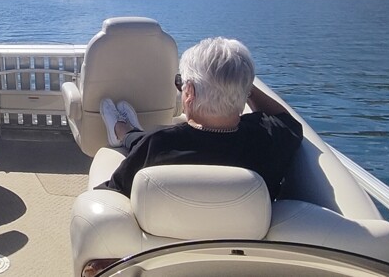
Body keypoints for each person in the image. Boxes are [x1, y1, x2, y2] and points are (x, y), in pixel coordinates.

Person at [96, 37, 303, 199]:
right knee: (140, 138)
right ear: (246, 89)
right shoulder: (268, 139)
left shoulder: (160, 143)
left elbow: (110, 192)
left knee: (139, 140)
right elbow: (287, 118)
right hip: (241, 247)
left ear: (190, 93)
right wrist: (240, 83)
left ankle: (121, 129)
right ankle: (124, 130)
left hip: (163, 247)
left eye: (181, 83)